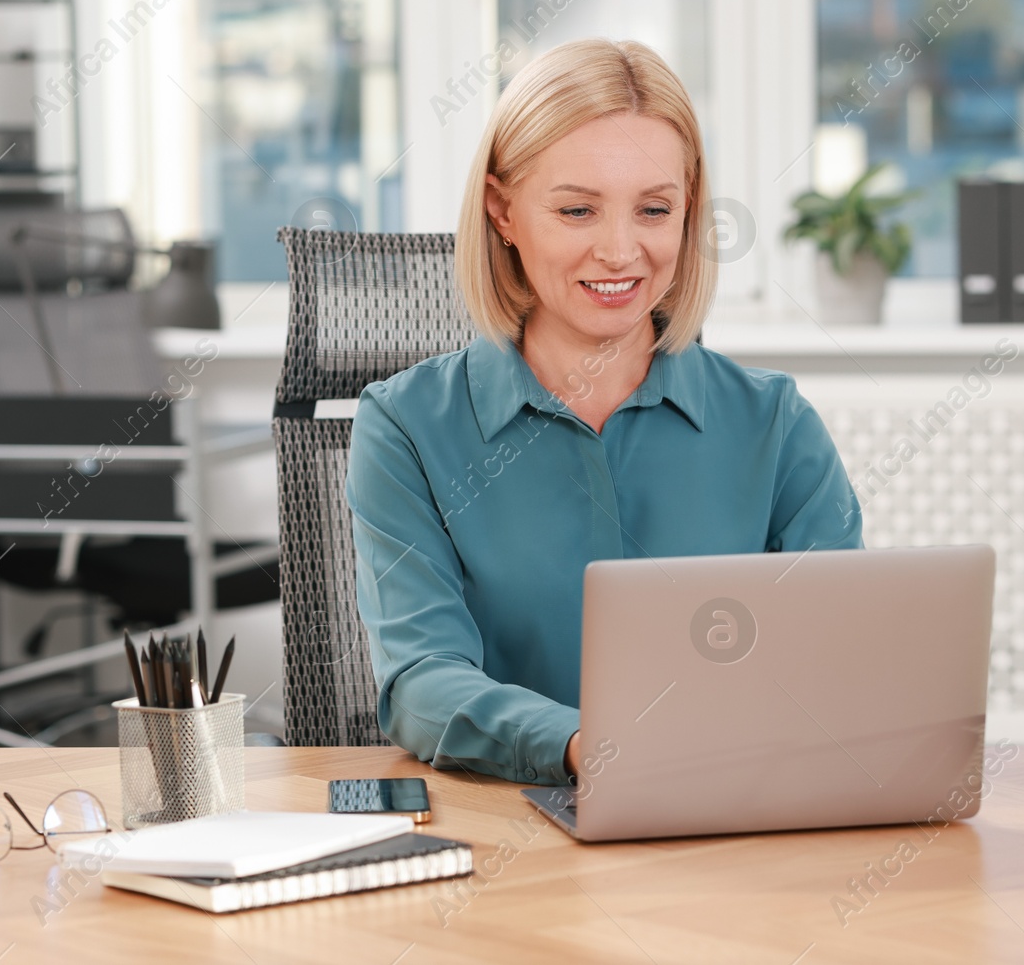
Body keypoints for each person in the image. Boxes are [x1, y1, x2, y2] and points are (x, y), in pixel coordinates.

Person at [345, 38, 862, 787]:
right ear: (503, 211)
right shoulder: (404, 428)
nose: (620, 251)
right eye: (578, 209)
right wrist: (587, 746)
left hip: (737, 826)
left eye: (655, 209)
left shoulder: (775, 424)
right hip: (511, 834)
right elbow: (422, 682)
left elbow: (840, 661)